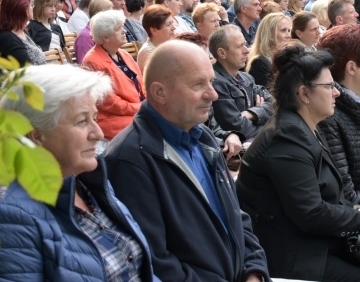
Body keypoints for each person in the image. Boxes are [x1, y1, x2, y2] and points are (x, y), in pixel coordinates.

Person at [236, 43, 360, 282]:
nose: (336, 92)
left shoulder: (307, 127)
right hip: (293, 254)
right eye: (329, 86)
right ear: (304, 94)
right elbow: (310, 213)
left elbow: (333, 197)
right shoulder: (287, 136)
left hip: (316, 239)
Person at [0, 64, 156, 280]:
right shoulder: (6, 218)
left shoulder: (86, 181)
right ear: (36, 136)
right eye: (82, 121)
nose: (98, 133)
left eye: (95, 118)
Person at [105, 41, 269, 281]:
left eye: (211, 81)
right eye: (198, 84)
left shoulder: (203, 137)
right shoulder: (129, 160)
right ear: (160, 92)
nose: (213, 94)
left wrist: (254, 271)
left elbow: (236, 216)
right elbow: (156, 261)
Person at [82, 10, 144, 151]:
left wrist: (147, 104)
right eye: (119, 29)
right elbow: (108, 103)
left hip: (135, 112)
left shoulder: (123, 54)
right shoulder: (92, 61)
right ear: (105, 37)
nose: (124, 31)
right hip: (114, 119)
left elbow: (141, 84)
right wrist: (140, 108)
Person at [209, 25, 274, 140]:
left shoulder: (247, 78)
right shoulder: (216, 83)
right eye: (240, 46)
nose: (246, 50)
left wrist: (252, 113)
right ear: (222, 53)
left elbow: (274, 104)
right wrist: (265, 121)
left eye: (245, 44)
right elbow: (238, 127)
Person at [0, 0, 46, 66]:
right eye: (31, 5)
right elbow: (27, 67)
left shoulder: (22, 31)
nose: (33, 8)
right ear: (21, 8)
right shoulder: (7, 39)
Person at [247, 13, 291, 88]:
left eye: (289, 30)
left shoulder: (287, 58)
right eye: (283, 30)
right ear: (270, 34)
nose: (288, 35)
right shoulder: (259, 63)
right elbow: (266, 93)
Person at [73, 0, 114, 64]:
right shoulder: (85, 37)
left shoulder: (106, 32)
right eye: (110, 15)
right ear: (100, 16)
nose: (113, 18)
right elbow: (86, 64)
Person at [137, 5, 176, 72]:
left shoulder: (167, 46)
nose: (174, 28)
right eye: (168, 24)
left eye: (172, 23)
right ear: (154, 30)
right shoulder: (149, 53)